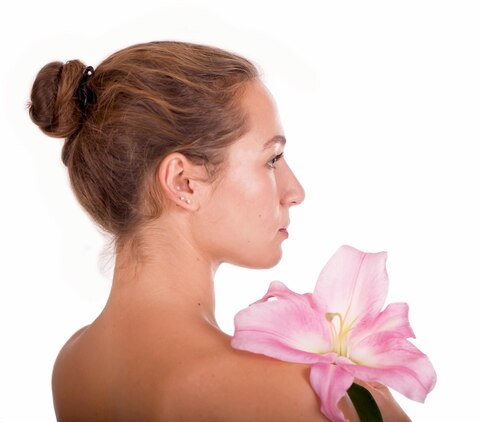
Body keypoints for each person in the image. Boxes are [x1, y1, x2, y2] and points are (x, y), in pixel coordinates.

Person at [29, 41, 410, 421]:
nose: (295, 192)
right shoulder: (297, 394)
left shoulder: (73, 364)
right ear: (183, 182)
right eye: (272, 159)